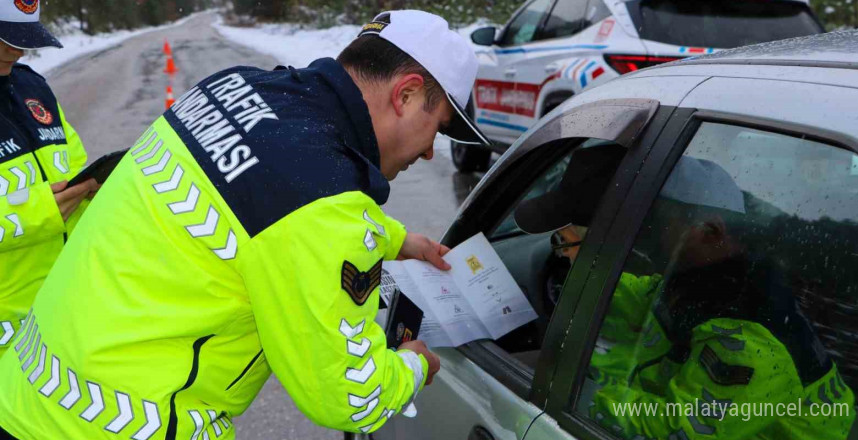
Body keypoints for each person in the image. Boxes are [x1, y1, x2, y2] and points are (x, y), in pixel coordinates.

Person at [0, 10, 490, 440]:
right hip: (115, 426)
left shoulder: (233, 87)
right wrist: (412, 366)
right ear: (405, 93)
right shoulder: (321, 201)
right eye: (440, 126)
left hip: (27, 395)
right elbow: (346, 395)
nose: (431, 151)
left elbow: (265, 196)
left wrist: (395, 239)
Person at [515, 151, 855, 439]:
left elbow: (679, 428)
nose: (647, 237)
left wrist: (584, 396)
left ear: (710, 231)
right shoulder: (713, 276)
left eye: (661, 224)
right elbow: (645, 298)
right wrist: (580, 272)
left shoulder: (750, 336)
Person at [0, 0, 98, 357]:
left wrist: (93, 188)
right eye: (3, 36)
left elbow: (74, 167)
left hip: (59, 315)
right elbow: (46, 204)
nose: (15, 49)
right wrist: (41, 210)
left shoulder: (33, 87)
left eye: (22, 38)